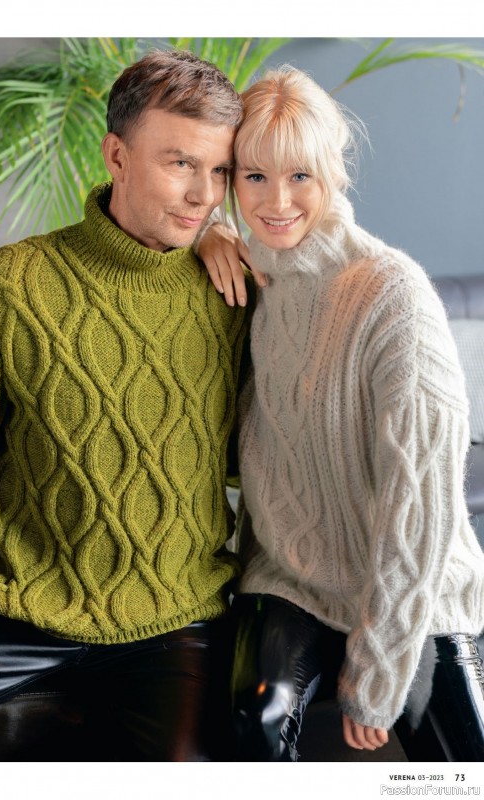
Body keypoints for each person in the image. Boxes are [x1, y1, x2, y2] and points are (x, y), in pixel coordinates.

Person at [0, 49, 251, 761]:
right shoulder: (8, 288)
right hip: (9, 601)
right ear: (116, 155)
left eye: (220, 170)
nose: (203, 194)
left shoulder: (235, 294)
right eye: (180, 163)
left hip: (173, 617)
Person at [197, 66, 484, 761]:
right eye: (254, 176)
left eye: (300, 175)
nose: (276, 201)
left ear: (333, 171)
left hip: (413, 588)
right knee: (252, 726)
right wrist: (207, 232)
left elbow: (420, 504)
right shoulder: (254, 275)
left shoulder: (392, 294)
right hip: (289, 578)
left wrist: (380, 669)